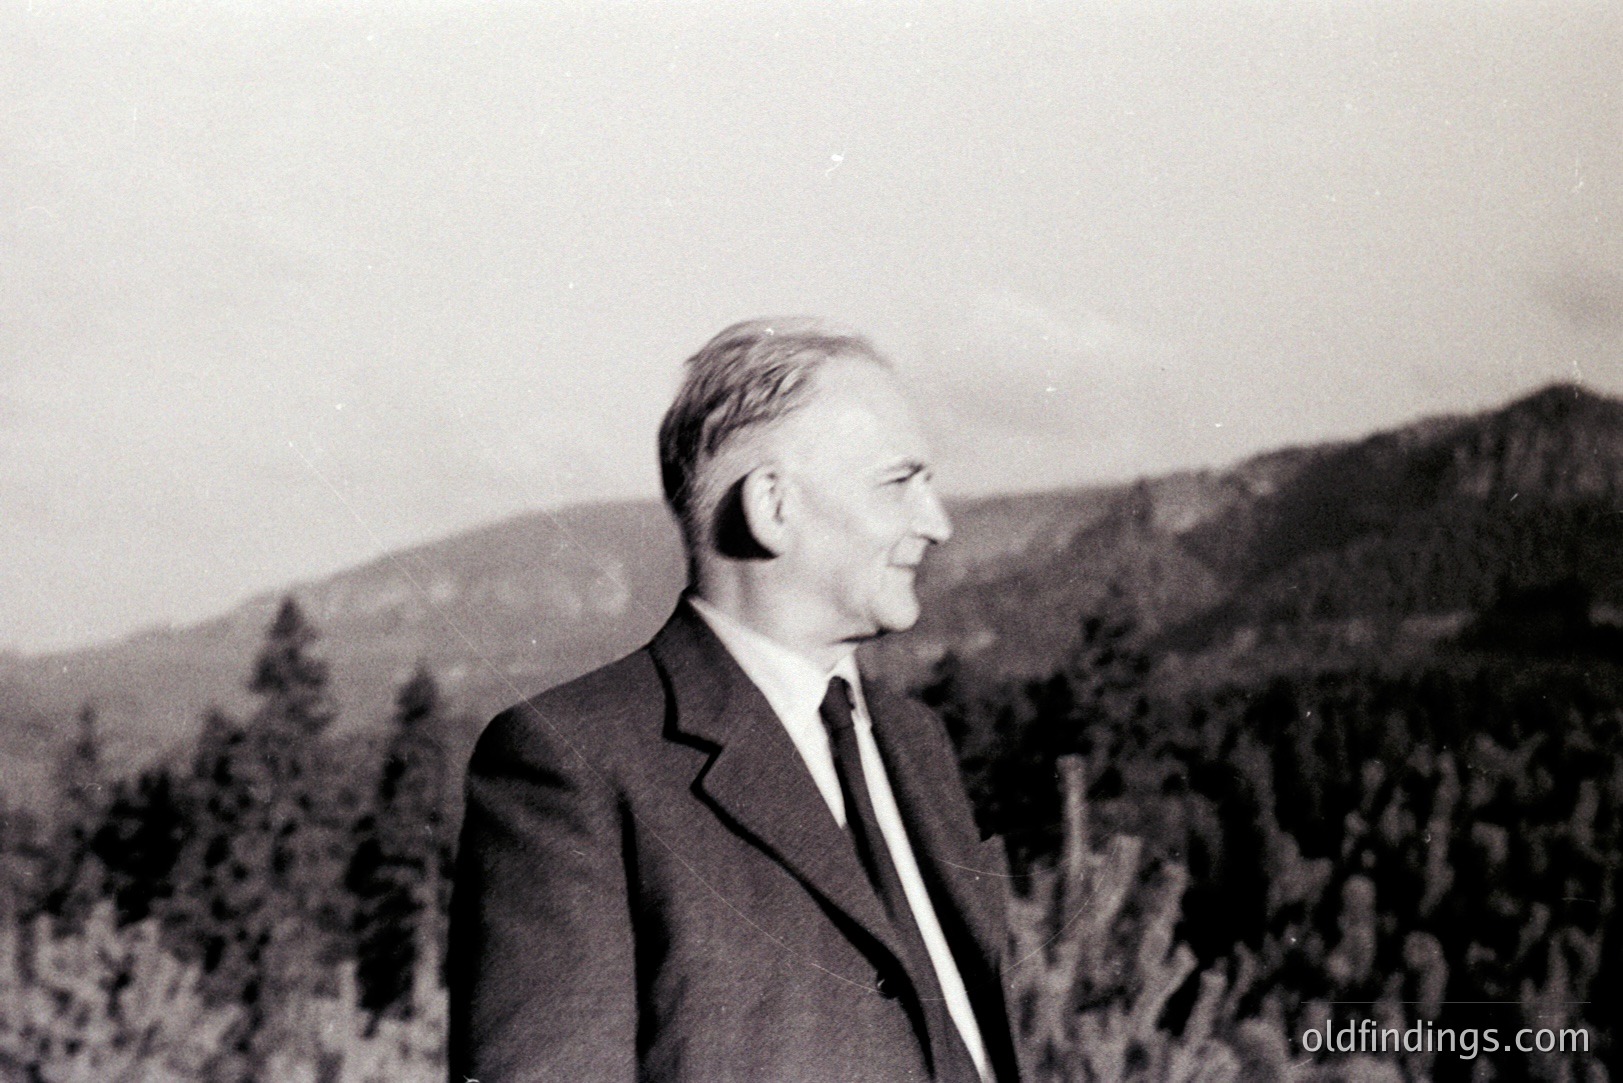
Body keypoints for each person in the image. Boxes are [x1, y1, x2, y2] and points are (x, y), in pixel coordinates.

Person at [448, 318, 1022, 1082]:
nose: (937, 522)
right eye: (898, 482)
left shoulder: (915, 742)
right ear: (771, 507)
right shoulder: (572, 761)